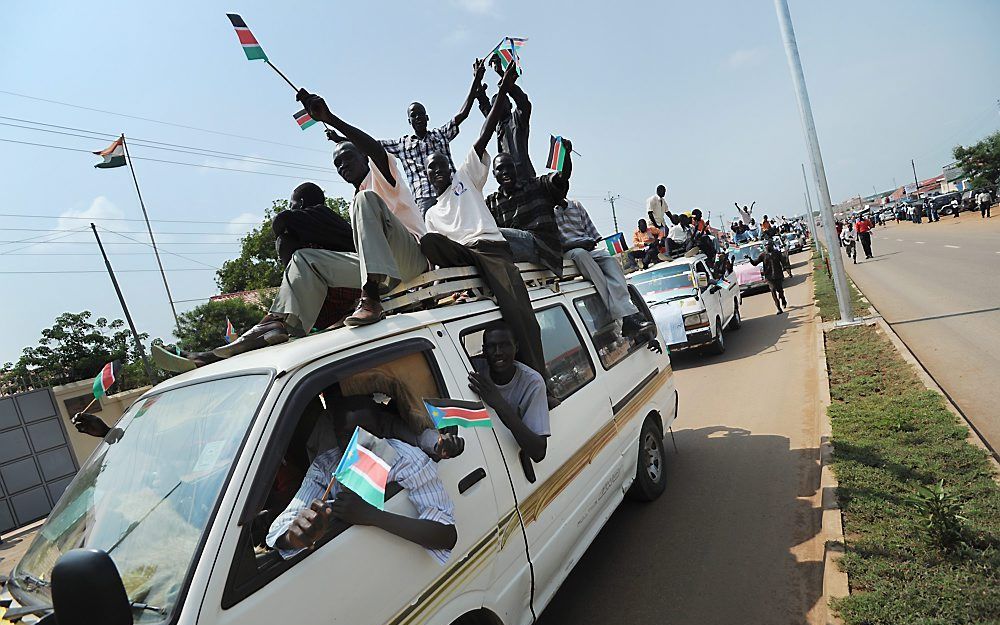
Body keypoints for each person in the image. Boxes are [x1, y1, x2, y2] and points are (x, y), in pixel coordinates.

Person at [420, 62, 549, 395]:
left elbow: (485, 132)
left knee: (518, 313)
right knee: (430, 240)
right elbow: (435, 247)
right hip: (461, 255)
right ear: (427, 176)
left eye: (442, 165)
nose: (438, 171)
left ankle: (542, 381)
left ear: (451, 167)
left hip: (489, 249)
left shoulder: (466, 177)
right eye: (432, 169)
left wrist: (502, 86)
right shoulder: (432, 212)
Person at [266, 394, 457, 563]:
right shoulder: (326, 464)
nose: (357, 442)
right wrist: (297, 536)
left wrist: (373, 516)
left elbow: (446, 535)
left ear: (379, 429)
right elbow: (277, 532)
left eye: (366, 431)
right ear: (336, 433)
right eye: (346, 435)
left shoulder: (407, 459)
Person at [371, 59, 488, 215]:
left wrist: (476, 79)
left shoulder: (440, 135)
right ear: (409, 121)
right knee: (432, 236)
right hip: (425, 198)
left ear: (427, 118)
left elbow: (463, 114)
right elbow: (372, 145)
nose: (418, 118)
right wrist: (341, 138)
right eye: (414, 115)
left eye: (421, 114)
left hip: (451, 191)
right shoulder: (402, 145)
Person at [555, 198, 654, 337]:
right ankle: (625, 316)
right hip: (569, 252)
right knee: (583, 256)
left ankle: (626, 315)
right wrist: (579, 244)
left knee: (610, 260)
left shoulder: (576, 205)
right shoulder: (548, 211)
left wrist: (589, 242)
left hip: (587, 248)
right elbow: (554, 245)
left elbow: (594, 235)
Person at [484, 133, 573, 278]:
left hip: (542, 246)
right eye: (500, 169)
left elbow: (562, 176)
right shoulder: (491, 202)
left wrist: (566, 155)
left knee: (496, 234)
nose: (505, 172)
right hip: (514, 254)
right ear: (494, 174)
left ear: (516, 169)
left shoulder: (538, 185)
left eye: (509, 167)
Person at [469, 321, 549, 466]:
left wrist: (499, 404)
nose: (498, 352)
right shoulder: (476, 374)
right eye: (491, 347)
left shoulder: (532, 382)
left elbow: (539, 452)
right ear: (484, 351)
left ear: (516, 347)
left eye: (505, 345)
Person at [477, 55, 535, 180]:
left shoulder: (517, 120)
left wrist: (503, 75)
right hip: (507, 180)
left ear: (509, 105)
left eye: (501, 102)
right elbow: (488, 112)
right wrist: (479, 87)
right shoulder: (498, 126)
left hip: (525, 178)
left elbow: (523, 102)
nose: (497, 108)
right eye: (495, 106)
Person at [749, 240, 787, 315]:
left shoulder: (777, 253)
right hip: (769, 277)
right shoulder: (763, 255)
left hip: (778, 275)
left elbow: (783, 261)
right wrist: (750, 259)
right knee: (773, 290)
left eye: (768, 245)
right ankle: (778, 308)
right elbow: (755, 263)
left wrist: (785, 266)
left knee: (780, 291)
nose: (767, 246)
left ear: (772, 245)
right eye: (766, 245)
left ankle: (783, 299)